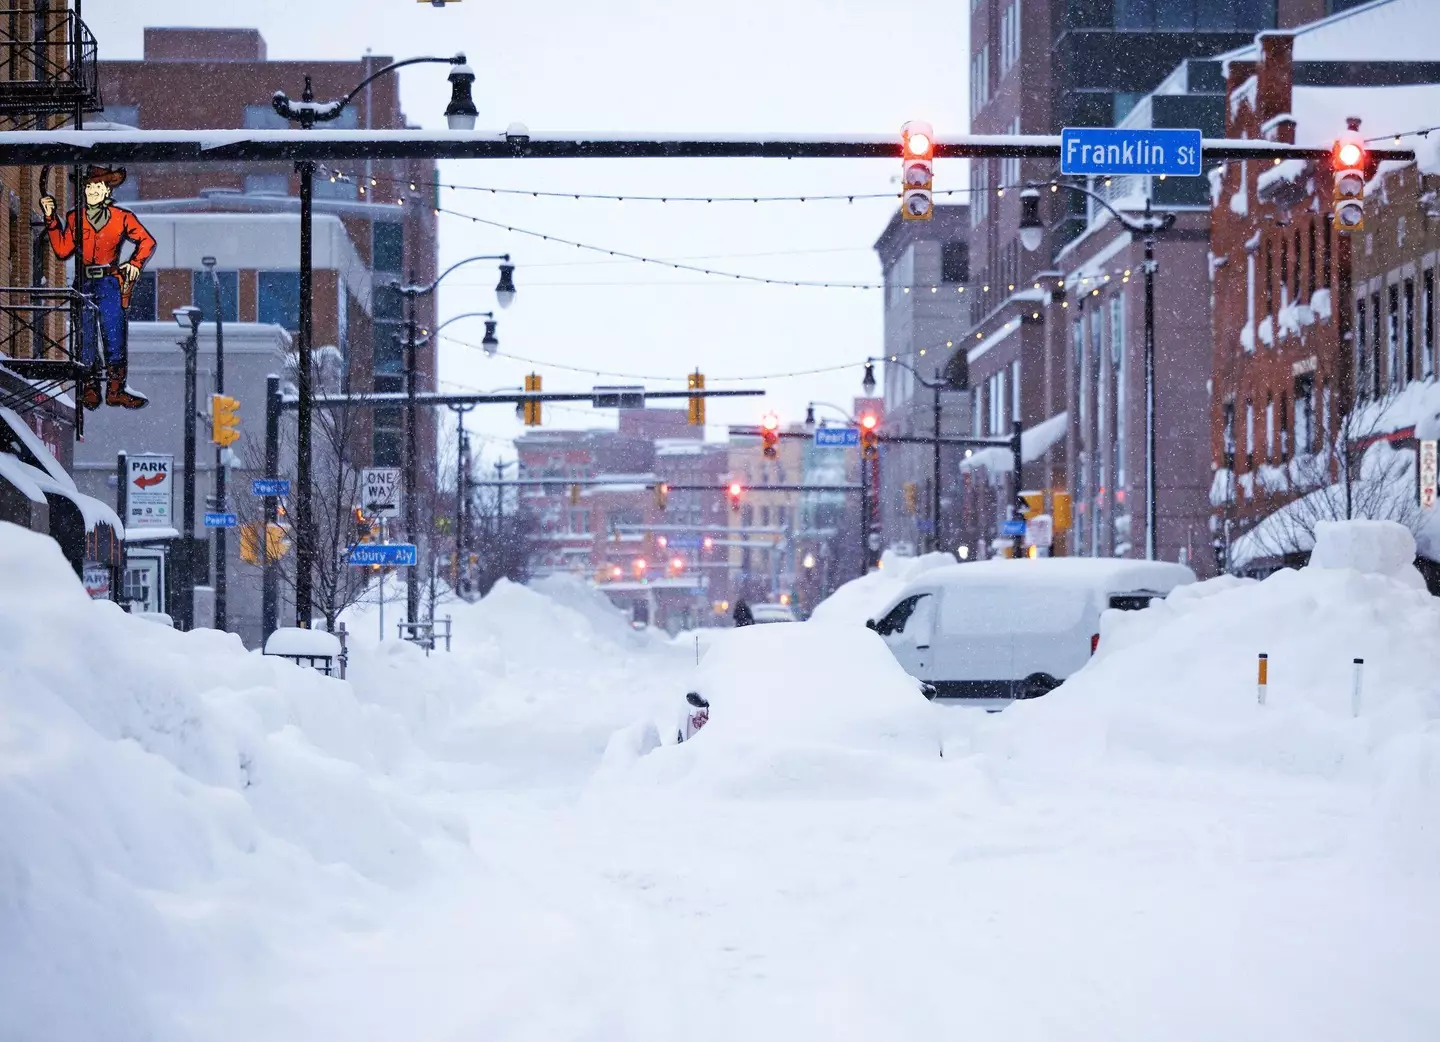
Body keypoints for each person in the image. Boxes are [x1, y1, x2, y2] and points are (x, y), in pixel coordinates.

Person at [40, 165, 157, 410]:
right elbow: (62, 249)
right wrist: (51, 219)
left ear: (107, 190)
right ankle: (90, 387)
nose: (92, 190)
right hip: (84, 282)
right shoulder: (75, 218)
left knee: (114, 332)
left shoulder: (122, 217)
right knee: (86, 334)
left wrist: (134, 263)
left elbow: (147, 241)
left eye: (98, 186)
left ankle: (116, 389)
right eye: (89, 186)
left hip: (110, 280)